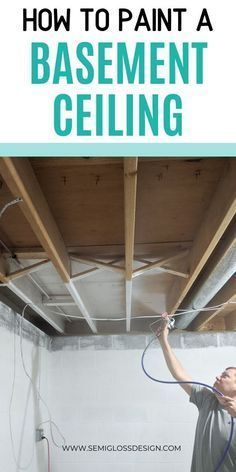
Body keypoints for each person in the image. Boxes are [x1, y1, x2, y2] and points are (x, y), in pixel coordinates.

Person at [157, 315, 236, 471]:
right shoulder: (207, 399)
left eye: (224, 376)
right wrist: (163, 340)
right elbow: (180, 375)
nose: (217, 376)